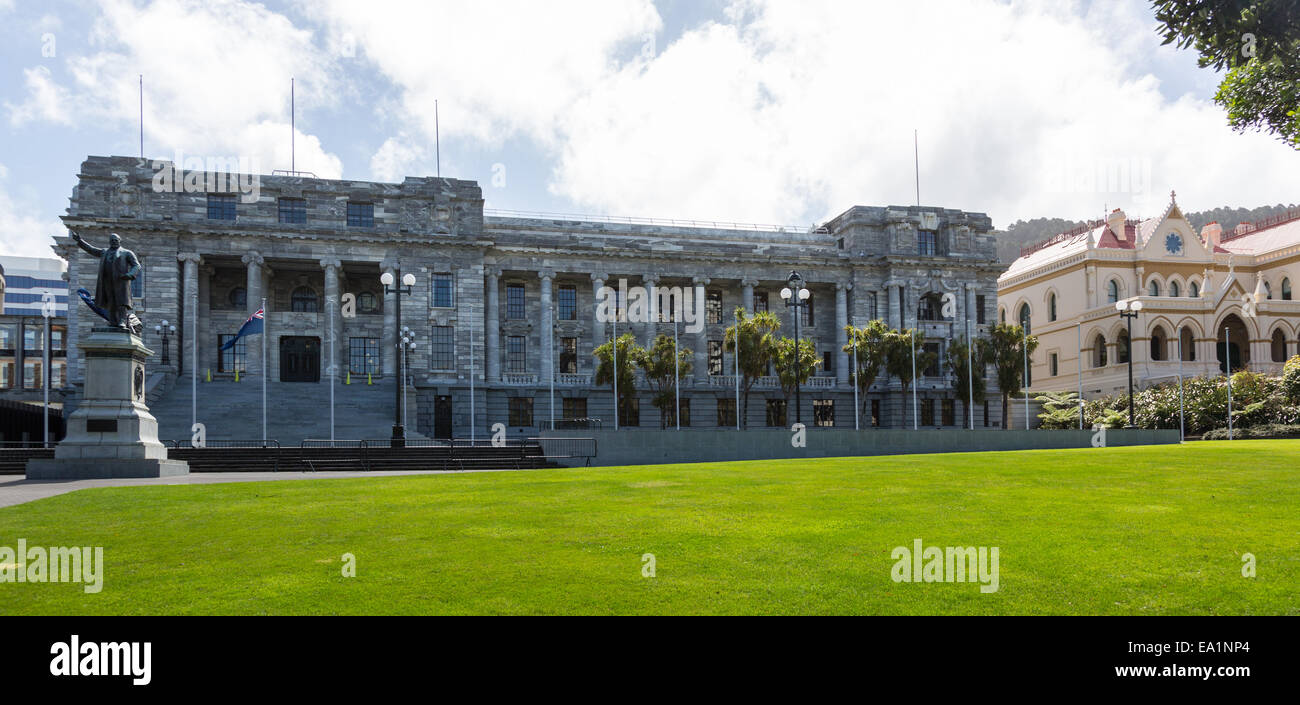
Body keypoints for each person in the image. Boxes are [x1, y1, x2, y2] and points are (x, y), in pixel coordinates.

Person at [71, 231, 141, 331]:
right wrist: (80, 241)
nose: (114, 242)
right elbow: (91, 250)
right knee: (110, 302)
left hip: (121, 281)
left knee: (122, 302)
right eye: (112, 240)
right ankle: (113, 321)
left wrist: (130, 274)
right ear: (109, 242)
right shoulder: (104, 252)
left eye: (116, 240)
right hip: (107, 281)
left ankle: (122, 321)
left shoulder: (127, 253)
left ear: (120, 241)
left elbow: (137, 265)